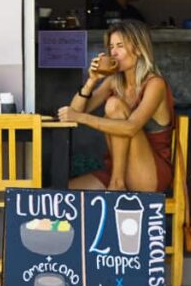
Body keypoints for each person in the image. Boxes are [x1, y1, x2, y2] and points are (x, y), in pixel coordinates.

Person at [58, 19, 173, 192]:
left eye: (120, 46)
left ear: (139, 49)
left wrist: (81, 118)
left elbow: (130, 128)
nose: (114, 53)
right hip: (117, 169)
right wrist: (92, 81)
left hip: (150, 175)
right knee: (63, 194)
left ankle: (116, 185)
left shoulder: (155, 84)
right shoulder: (114, 82)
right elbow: (74, 112)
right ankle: (116, 182)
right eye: (111, 47)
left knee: (113, 105)